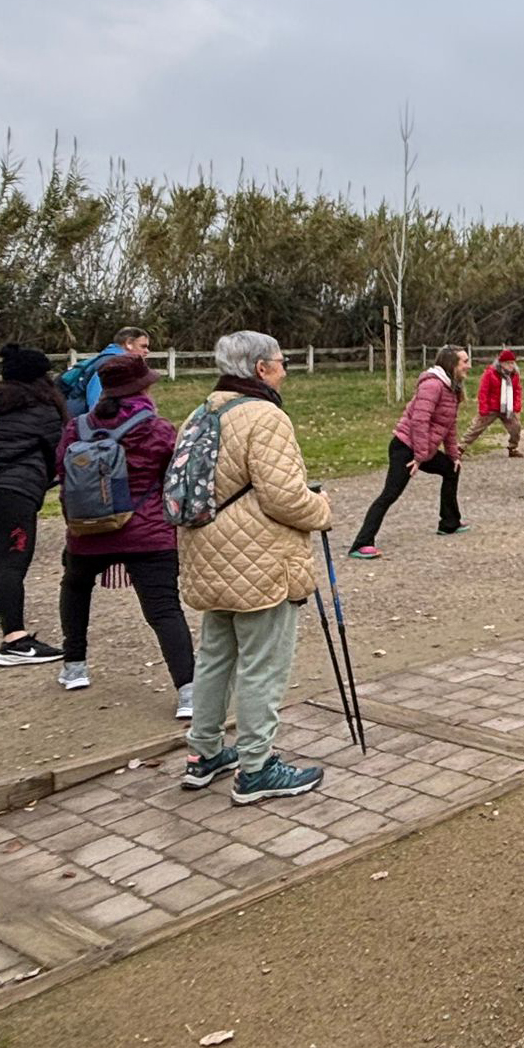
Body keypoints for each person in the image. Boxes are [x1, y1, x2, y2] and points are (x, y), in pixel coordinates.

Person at [177, 331, 333, 804]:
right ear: (261, 369)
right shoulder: (265, 417)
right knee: (263, 664)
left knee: (216, 658)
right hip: (260, 559)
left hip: (208, 552)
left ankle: (203, 754)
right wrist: (321, 509)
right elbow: (284, 497)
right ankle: (257, 767)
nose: (286, 369)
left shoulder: (201, 412)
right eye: (281, 362)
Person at [53, 355, 194, 716]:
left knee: (75, 587)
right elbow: (176, 476)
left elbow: (61, 471)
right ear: (143, 387)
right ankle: (188, 693)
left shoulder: (77, 427)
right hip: (147, 533)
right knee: (164, 610)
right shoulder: (157, 428)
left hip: (88, 532)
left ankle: (74, 666)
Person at [0, 344, 70, 665]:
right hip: (13, 496)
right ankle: (15, 642)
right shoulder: (43, 410)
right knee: (13, 564)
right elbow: (62, 452)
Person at [350, 347, 470, 558]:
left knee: (452, 469)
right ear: (452, 364)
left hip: (422, 449)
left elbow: (448, 425)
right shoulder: (433, 385)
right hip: (405, 448)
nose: (469, 366)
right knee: (390, 494)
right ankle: (361, 543)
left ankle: (449, 522)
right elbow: (419, 421)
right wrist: (419, 457)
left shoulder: (452, 388)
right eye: (464, 361)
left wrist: (453, 455)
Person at [66, 327, 153, 415]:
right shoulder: (109, 364)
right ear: (128, 343)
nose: (147, 351)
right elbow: (96, 401)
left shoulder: (111, 360)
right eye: (143, 346)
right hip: (81, 420)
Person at [462, 349, 524, 457]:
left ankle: (513, 448)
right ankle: (460, 448)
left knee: (516, 427)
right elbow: (483, 391)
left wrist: (517, 405)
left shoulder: (514, 375)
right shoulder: (490, 373)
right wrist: (483, 407)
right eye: (508, 363)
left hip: (508, 407)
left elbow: (517, 390)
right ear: (501, 363)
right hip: (492, 407)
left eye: (512, 362)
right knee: (476, 428)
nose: (511, 365)